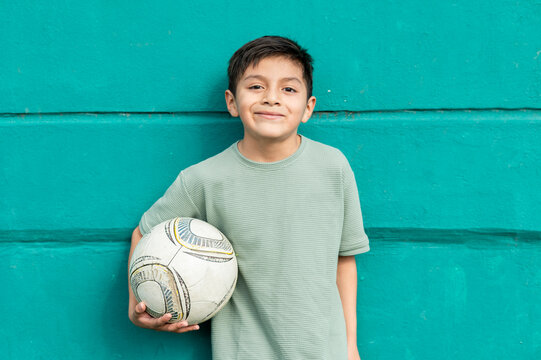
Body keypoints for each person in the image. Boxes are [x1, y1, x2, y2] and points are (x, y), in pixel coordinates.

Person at [128, 35, 369, 360]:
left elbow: (344, 260)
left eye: (289, 89)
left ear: (308, 107)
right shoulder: (203, 179)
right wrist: (136, 306)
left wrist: (349, 346)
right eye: (256, 87)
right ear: (231, 101)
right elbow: (143, 232)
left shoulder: (332, 167)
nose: (272, 98)